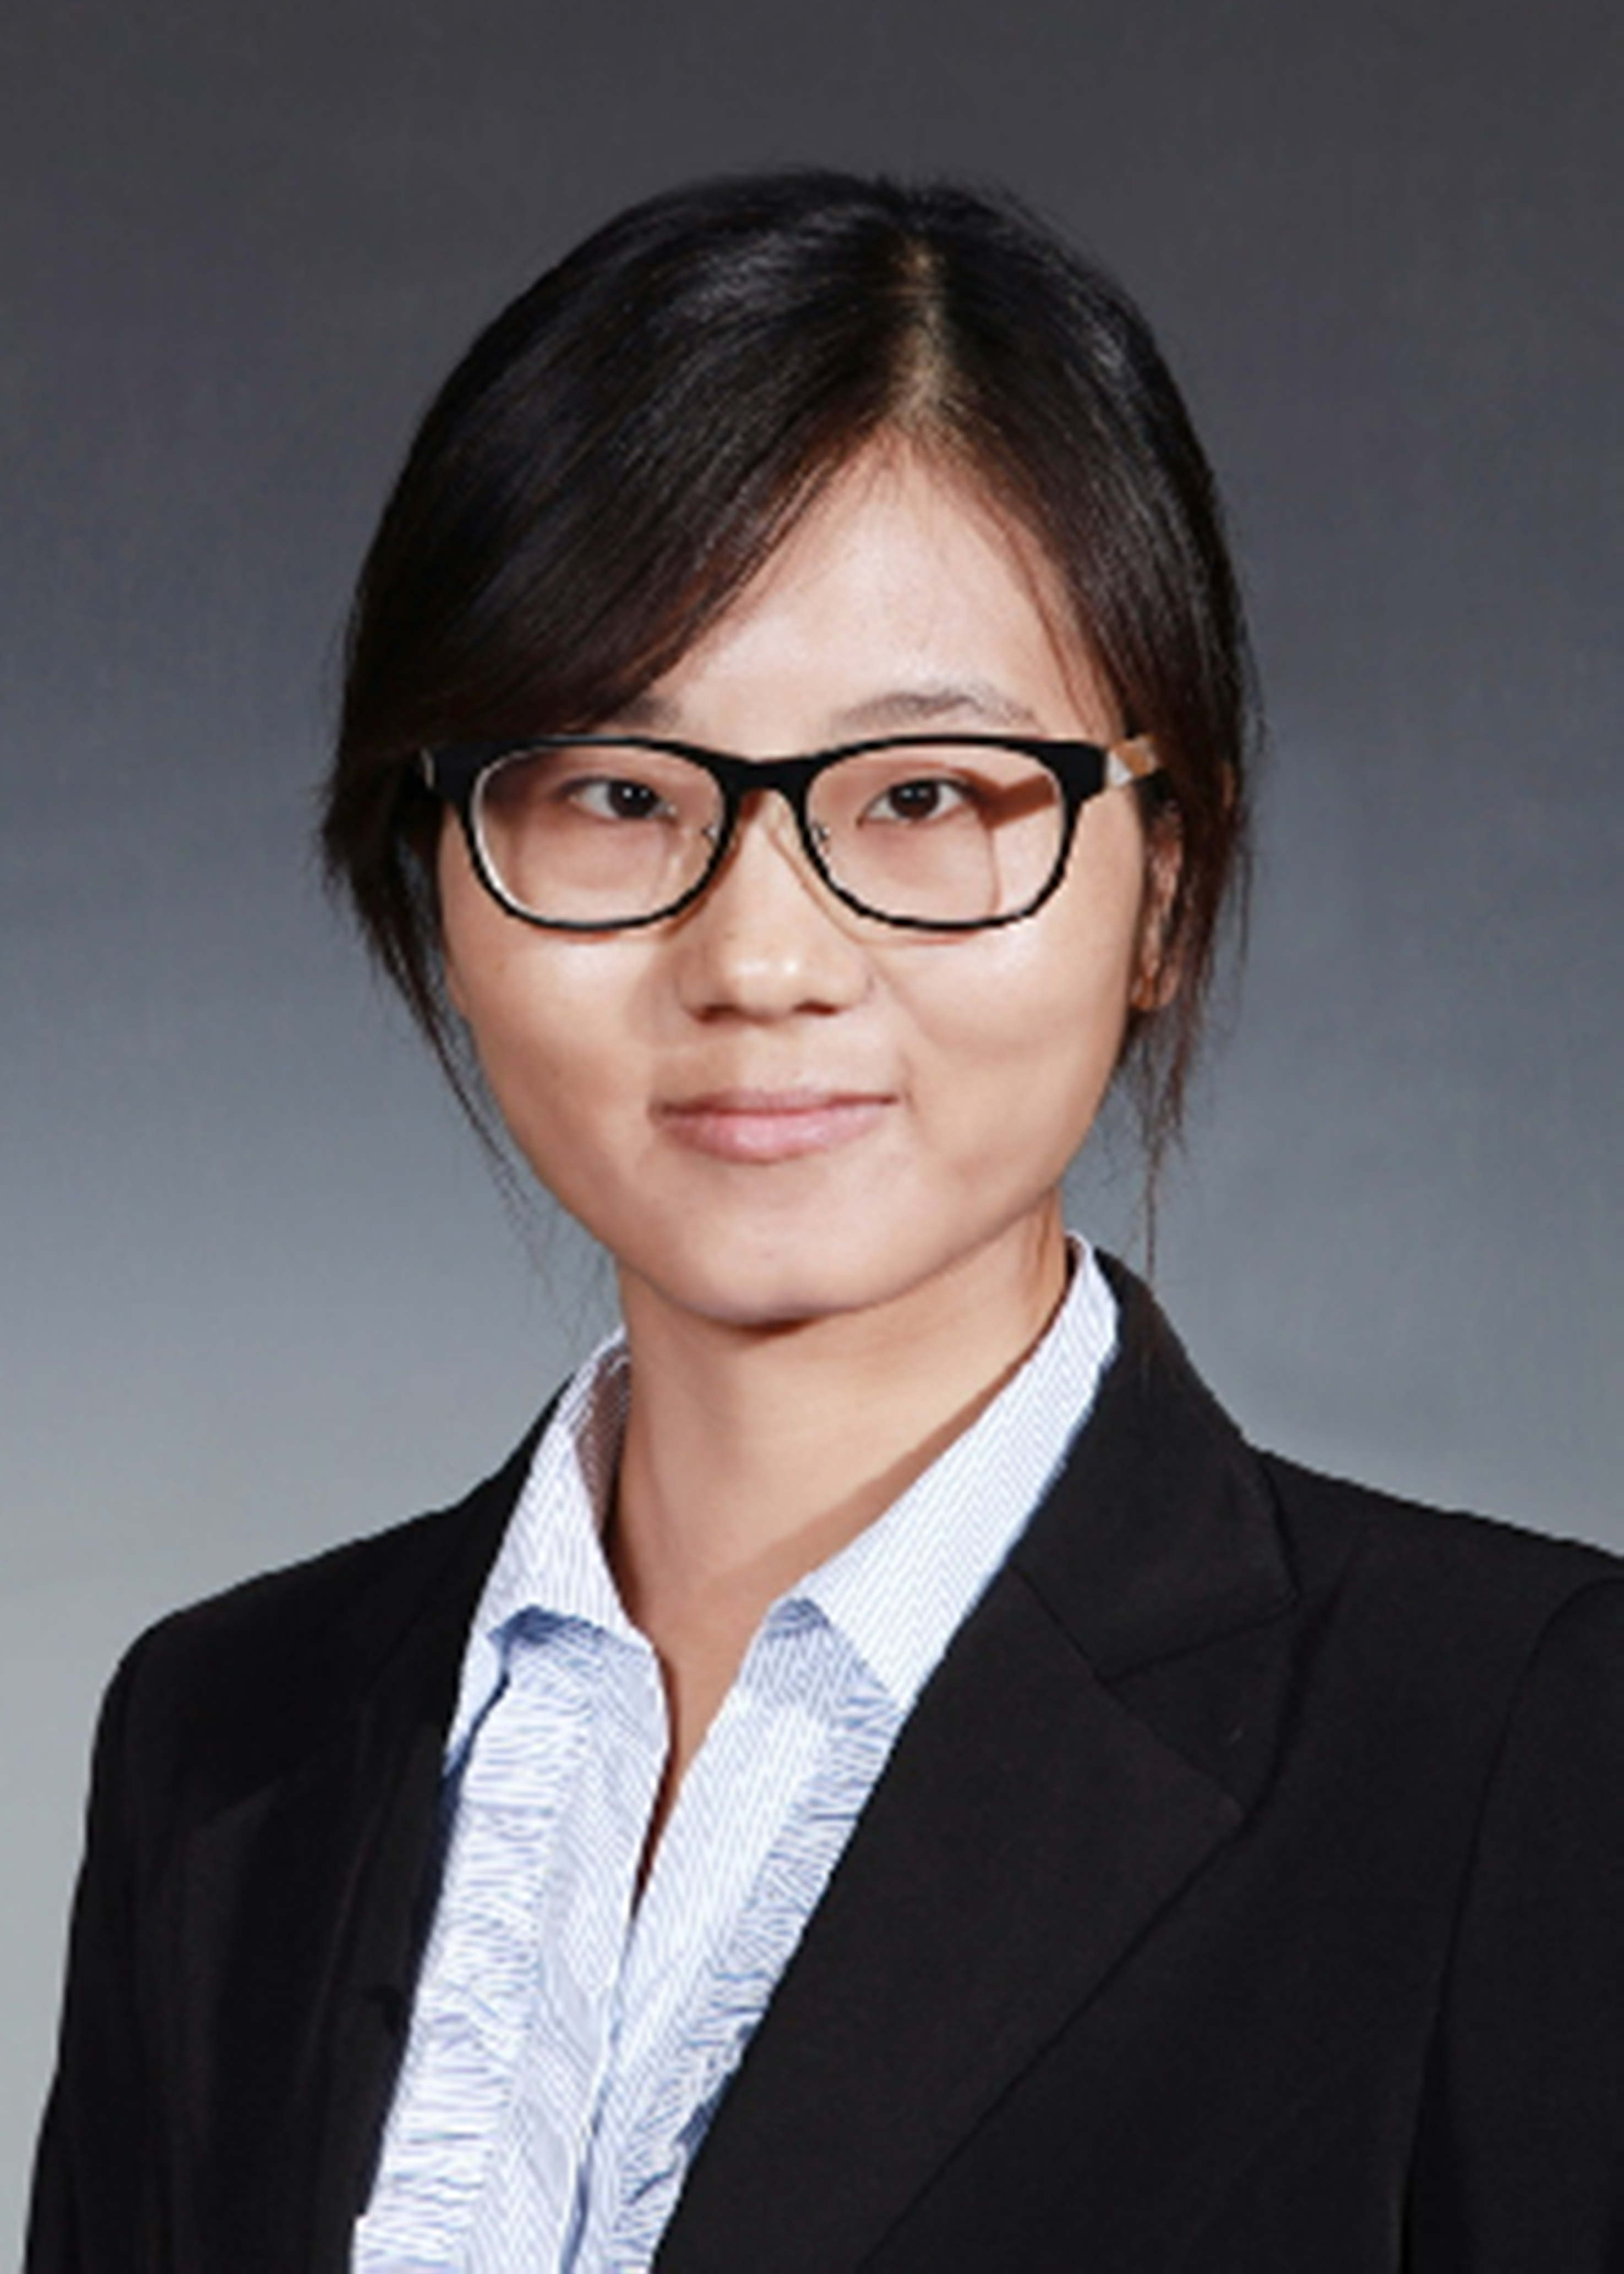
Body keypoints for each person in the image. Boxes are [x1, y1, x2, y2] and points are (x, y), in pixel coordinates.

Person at [26, 170, 1624, 2274]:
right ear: (438, 867)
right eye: (617, 792)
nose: (762, 958)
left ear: (1162, 880)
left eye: (927, 794)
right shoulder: (223, 1741)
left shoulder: (1527, 1745)